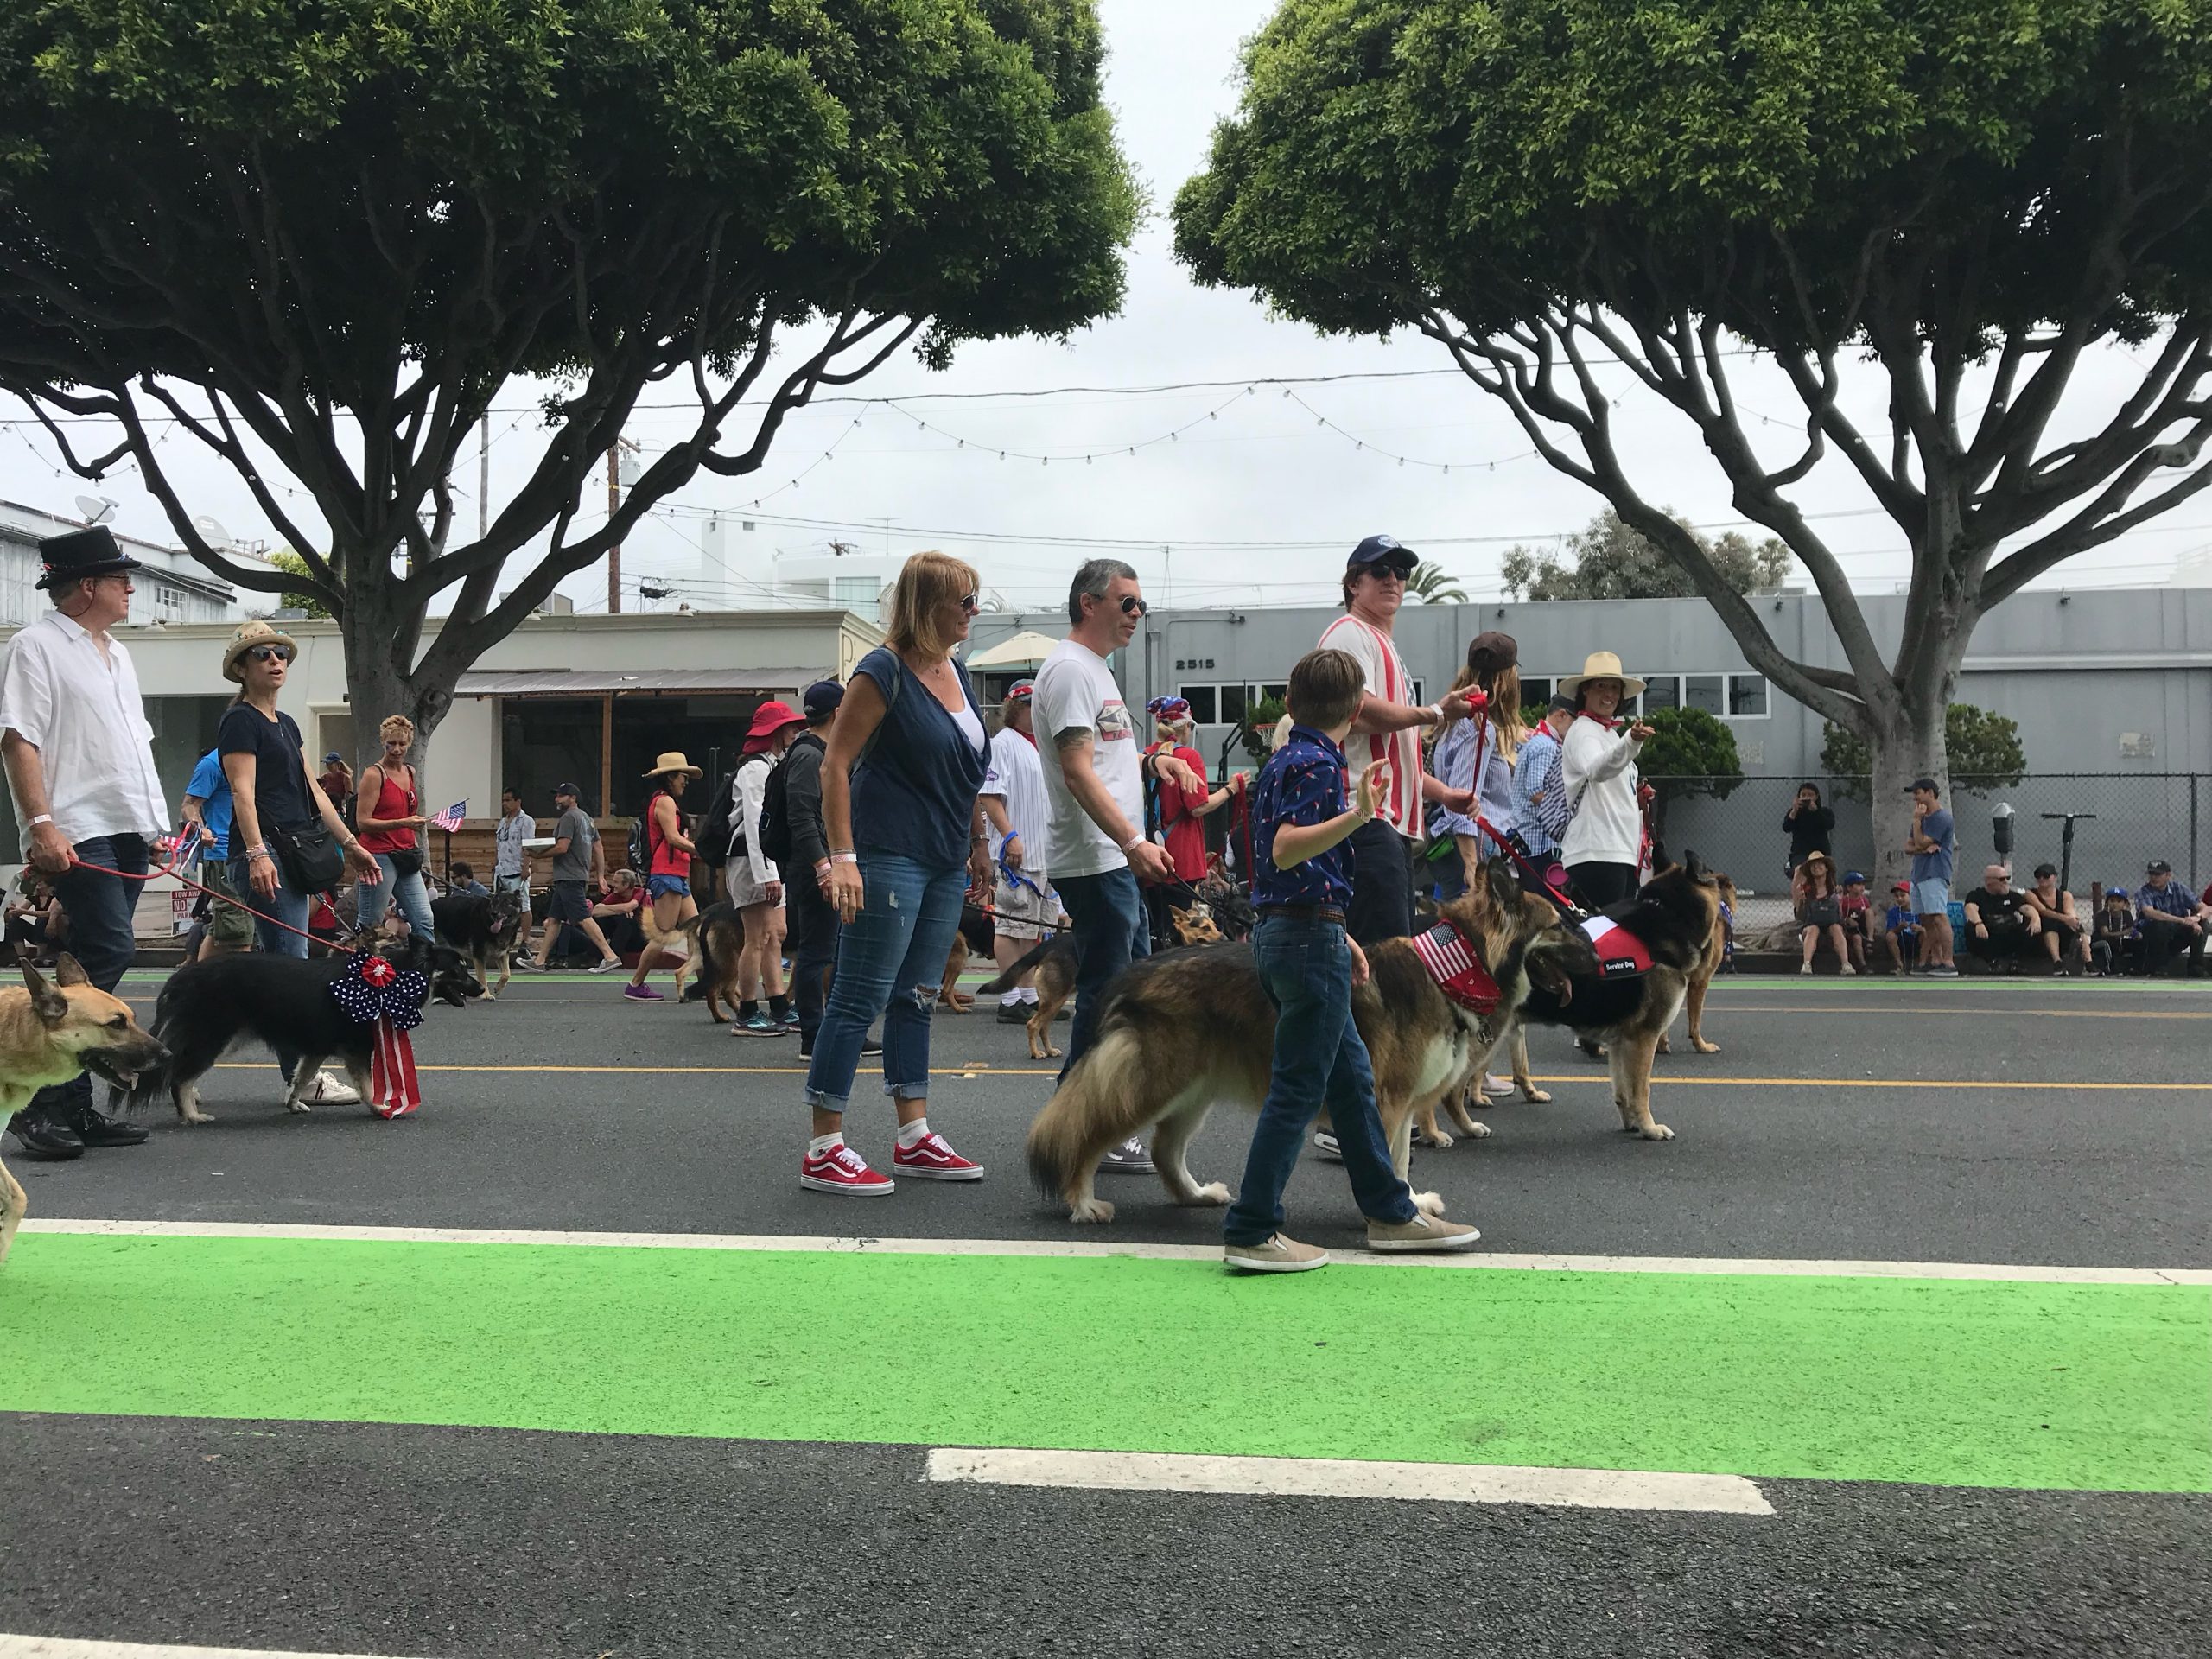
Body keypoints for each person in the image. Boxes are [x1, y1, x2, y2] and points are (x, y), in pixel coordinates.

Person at [1221, 645, 1481, 1272]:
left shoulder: (1287, 758)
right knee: (1301, 1086)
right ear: (1358, 710)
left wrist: (1343, 933)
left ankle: (1391, 1212)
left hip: (1300, 932)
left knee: (1352, 1081)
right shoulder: (1318, 765)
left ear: (1289, 703)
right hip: (1310, 937)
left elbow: (1282, 864)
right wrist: (1360, 814)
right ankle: (1253, 1226)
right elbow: (1287, 849)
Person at [804, 550, 992, 1195]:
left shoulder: (958, 674)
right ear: (926, 605)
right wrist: (844, 857)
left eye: (975, 600)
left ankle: (914, 1135)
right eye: (963, 601)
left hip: (941, 858)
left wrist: (978, 845)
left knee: (917, 995)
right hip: (886, 854)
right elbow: (835, 766)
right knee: (858, 994)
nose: (973, 611)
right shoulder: (882, 670)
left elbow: (965, 772)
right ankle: (824, 1144)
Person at [0, 528, 168, 1158]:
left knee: (94, 960)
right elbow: (19, 737)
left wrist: (153, 826)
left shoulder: (118, 654)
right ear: (88, 586)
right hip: (76, 824)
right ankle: (38, 1096)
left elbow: (133, 746)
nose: (131, 587)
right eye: (121, 577)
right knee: (111, 945)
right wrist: (40, 822)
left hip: (125, 824)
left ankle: (68, 1095)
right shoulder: (35, 646)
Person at [1035, 559, 1190, 1177]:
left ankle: (1087, 1128)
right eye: (1127, 603)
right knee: (1108, 992)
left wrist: (1156, 764)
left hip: (1108, 855)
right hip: (1096, 855)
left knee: (1115, 988)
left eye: (1139, 604)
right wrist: (1131, 840)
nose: (1136, 615)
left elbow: (1102, 758)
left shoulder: (1093, 669)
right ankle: (1075, 1131)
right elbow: (1076, 770)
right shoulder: (1072, 670)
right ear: (1088, 602)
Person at [217, 619, 382, 1105]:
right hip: (265, 857)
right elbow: (241, 794)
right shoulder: (240, 721)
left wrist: (351, 843)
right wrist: (256, 853)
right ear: (242, 668)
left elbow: (313, 791)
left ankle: (292, 1071)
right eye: (262, 654)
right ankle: (303, 1078)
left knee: (292, 966)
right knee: (292, 971)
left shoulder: (285, 724)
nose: (275, 661)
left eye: (280, 654)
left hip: (294, 856)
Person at [1315, 536, 1473, 944]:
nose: (1393, 580)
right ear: (1353, 583)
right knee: (1383, 959)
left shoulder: (1381, 643)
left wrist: (1442, 793)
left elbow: (1394, 754)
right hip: (1363, 818)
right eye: (1380, 571)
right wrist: (1436, 713)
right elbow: (1357, 712)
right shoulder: (1349, 633)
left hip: (1386, 823)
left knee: (1392, 954)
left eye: (1401, 572)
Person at [781, 680, 869, 1061]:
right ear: (839, 713)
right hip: (814, 867)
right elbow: (801, 815)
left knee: (831, 951)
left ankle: (836, 1032)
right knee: (816, 953)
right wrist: (823, 866)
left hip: (825, 864)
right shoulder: (808, 755)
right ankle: (813, 1036)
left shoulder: (820, 752)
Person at [725, 702, 806, 1036]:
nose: (794, 731)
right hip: (751, 860)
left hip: (763, 860)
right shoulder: (756, 770)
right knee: (757, 937)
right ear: (773, 732)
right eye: (788, 726)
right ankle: (746, 1011)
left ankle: (777, 1004)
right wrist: (769, 875)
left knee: (775, 934)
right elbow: (759, 823)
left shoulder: (770, 766)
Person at [980, 679, 1058, 1025]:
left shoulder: (1045, 744)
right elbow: (990, 795)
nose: (1032, 710)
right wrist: (1010, 835)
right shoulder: (1003, 744)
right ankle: (1010, 997)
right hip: (1018, 850)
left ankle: (1028, 994)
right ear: (1014, 709)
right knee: (1010, 925)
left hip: (1047, 850)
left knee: (1034, 927)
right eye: (1026, 704)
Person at [1557, 651, 1656, 910]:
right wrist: (1632, 741)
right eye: (1601, 686)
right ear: (1585, 691)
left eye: (1614, 688)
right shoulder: (1584, 732)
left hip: (1617, 850)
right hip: (1597, 852)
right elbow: (1596, 769)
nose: (1609, 694)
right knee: (1605, 937)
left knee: (1614, 937)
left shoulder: (1608, 733)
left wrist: (1637, 793)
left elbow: (1610, 775)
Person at [1431, 632, 1521, 894]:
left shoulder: (1454, 722)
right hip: (1477, 849)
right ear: (1507, 679)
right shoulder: (1479, 728)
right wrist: (1472, 864)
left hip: (1453, 847)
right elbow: (1465, 796)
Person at [625, 752, 702, 1001]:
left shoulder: (664, 801)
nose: (686, 781)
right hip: (668, 874)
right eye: (683, 776)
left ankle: (705, 983)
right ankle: (635, 984)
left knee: (697, 930)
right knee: (663, 933)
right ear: (670, 777)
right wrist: (702, 850)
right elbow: (673, 837)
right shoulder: (665, 802)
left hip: (675, 875)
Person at [353, 715, 436, 939]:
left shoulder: (410, 772)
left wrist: (416, 847)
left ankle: (423, 971)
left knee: (424, 918)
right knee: (371, 922)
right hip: (379, 856)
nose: (397, 749)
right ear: (383, 743)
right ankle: (357, 968)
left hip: (406, 854)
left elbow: (408, 814)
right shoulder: (374, 774)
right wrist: (404, 823)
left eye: (402, 744)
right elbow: (363, 822)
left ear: (409, 743)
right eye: (391, 744)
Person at [527, 783, 620, 973]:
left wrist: (537, 855)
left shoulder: (568, 818)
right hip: (576, 876)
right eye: (557, 796)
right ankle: (540, 961)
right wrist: (600, 875)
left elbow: (562, 847)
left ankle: (610, 956)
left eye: (561, 796)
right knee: (554, 919)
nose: (557, 799)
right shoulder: (588, 820)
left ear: (573, 798)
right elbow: (598, 847)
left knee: (583, 918)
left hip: (569, 876)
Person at [181, 745, 255, 958]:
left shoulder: (255, 757)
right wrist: (201, 829)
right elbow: (189, 806)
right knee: (239, 928)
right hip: (223, 854)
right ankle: (239, 988)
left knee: (224, 926)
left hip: (254, 852)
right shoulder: (212, 763)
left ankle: (196, 981)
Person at [1904, 778, 1960, 976]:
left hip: (1935, 872)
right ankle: (1935, 960)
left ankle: (1949, 961)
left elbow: (1920, 842)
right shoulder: (1920, 819)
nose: (1915, 798)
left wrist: (1917, 822)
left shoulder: (1942, 818)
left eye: (1917, 793)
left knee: (1938, 915)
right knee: (1925, 918)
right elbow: (1910, 847)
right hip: (1918, 874)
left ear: (1930, 793)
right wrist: (1921, 848)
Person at [2134, 858, 2208, 977]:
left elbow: (2205, 908)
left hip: (2176, 935)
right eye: (2151, 874)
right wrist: (2184, 920)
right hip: (2152, 938)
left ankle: (2196, 967)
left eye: (2158, 874)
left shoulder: (2179, 888)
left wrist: (2197, 918)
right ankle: (2159, 967)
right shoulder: (2144, 891)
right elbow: (2150, 913)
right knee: (2159, 925)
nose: (2153, 878)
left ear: (2168, 875)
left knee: (2203, 924)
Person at [1962, 864, 2037, 974]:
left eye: (2008, 878)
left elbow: (2027, 908)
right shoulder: (1977, 895)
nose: (2006, 882)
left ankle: (2016, 962)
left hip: (2008, 936)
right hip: (1988, 936)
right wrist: (1979, 923)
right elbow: (1970, 909)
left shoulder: (2012, 896)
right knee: (1970, 927)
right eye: (2002, 879)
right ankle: (1992, 962)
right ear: (1989, 881)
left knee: (2031, 924)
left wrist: (2035, 917)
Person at [1794, 851, 1855, 976]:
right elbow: (1799, 917)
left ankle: (1846, 964)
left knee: (1836, 928)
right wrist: (1801, 902)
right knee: (1813, 929)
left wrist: (1840, 901)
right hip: (1811, 925)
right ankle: (1806, 964)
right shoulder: (1804, 889)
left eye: (1819, 864)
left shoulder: (1835, 889)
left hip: (1832, 925)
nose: (1816, 867)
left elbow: (1841, 916)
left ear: (1826, 868)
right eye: (1813, 865)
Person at [2024, 862, 2088, 976]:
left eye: (2046, 875)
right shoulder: (2030, 894)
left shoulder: (2065, 895)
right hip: (2039, 931)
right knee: (2050, 923)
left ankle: (2089, 962)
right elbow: (2043, 910)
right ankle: (2057, 962)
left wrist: (2073, 920)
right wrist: (2065, 919)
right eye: (2038, 875)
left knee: (2079, 928)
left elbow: (2069, 911)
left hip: (2062, 931)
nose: (2041, 878)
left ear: (2055, 877)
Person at [589, 868, 647, 959]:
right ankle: (595, 954)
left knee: (625, 920)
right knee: (602, 919)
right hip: (625, 937)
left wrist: (617, 910)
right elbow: (595, 911)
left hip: (641, 937)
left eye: (616, 882)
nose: (613, 885)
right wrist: (620, 910)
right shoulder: (616, 895)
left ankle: (613, 956)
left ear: (626, 885)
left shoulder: (640, 892)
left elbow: (631, 906)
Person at [1783, 784, 1835, 880]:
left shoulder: (1825, 812)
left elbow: (1829, 825)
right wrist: (1794, 811)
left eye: (1810, 795)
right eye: (1803, 795)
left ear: (1816, 796)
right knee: (1800, 873)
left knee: (1824, 875)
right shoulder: (1795, 813)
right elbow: (1786, 827)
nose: (1807, 797)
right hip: (1800, 852)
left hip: (1821, 851)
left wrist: (1816, 812)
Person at [493, 786, 534, 898]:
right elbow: (498, 845)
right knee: (500, 905)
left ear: (518, 801)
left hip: (517, 871)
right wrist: (495, 865)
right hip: (501, 871)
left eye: (508, 800)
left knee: (522, 905)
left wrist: (525, 868)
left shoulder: (526, 821)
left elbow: (528, 846)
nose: (504, 804)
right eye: (503, 800)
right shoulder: (502, 822)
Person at [2092, 887, 2139, 977]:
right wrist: (2123, 933)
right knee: (2105, 945)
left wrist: (2137, 935)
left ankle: (2137, 968)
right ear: (2107, 902)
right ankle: (2108, 968)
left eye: (2119, 901)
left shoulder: (2126, 915)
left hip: (2118, 943)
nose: (2115, 904)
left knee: (2137, 943)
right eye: (2112, 901)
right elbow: (2105, 934)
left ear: (2124, 903)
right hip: (2101, 944)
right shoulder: (2102, 915)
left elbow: (2131, 930)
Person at [1881, 878, 1923, 974]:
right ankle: (1899, 964)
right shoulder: (1893, 912)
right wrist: (1899, 928)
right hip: (1901, 940)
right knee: (1890, 936)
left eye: (1903, 895)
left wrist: (1919, 928)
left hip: (1916, 940)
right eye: (1896, 896)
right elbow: (1890, 931)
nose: (1899, 899)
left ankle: (1922, 964)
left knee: (1925, 935)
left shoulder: (1919, 910)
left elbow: (1927, 929)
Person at [1838, 870, 1872, 973]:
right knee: (1857, 938)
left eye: (1863, 884)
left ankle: (1870, 939)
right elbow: (1840, 916)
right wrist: (1848, 920)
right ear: (1849, 888)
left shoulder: (1864, 900)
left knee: (1869, 912)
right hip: (1850, 929)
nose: (1862, 887)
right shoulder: (1845, 901)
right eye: (1858, 884)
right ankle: (1862, 964)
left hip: (1861, 926)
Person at [317, 751, 353, 820]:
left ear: (338, 764)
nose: (328, 766)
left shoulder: (345, 777)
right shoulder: (324, 777)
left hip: (339, 808)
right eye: (326, 764)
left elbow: (348, 796)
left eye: (330, 764)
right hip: (326, 807)